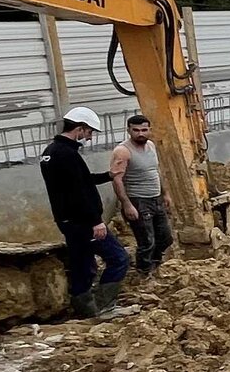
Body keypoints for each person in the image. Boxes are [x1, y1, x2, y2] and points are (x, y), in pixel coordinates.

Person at [40, 107, 129, 320]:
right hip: (83, 222)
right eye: (89, 132)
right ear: (79, 129)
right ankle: (105, 306)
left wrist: (108, 175)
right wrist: (96, 221)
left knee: (83, 264)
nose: (89, 138)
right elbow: (78, 192)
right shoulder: (67, 154)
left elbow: (80, 180)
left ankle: (86, 311)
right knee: (119, 258)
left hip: (68, 220)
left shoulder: (51, 152)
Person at [111, 113, 174, 277]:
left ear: (149, 130)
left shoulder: (151, 146)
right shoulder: (123, 151)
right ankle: (144, 272)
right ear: (128, 131)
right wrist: (127, 205)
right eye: (136, 130)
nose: (140, 134)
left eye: (144, 130)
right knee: (146, 241)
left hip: (156, 198)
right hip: (138, 200)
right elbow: (117, 180)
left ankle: (155, 265)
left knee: (165, 238)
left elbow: (156, 171)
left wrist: (165, 193)